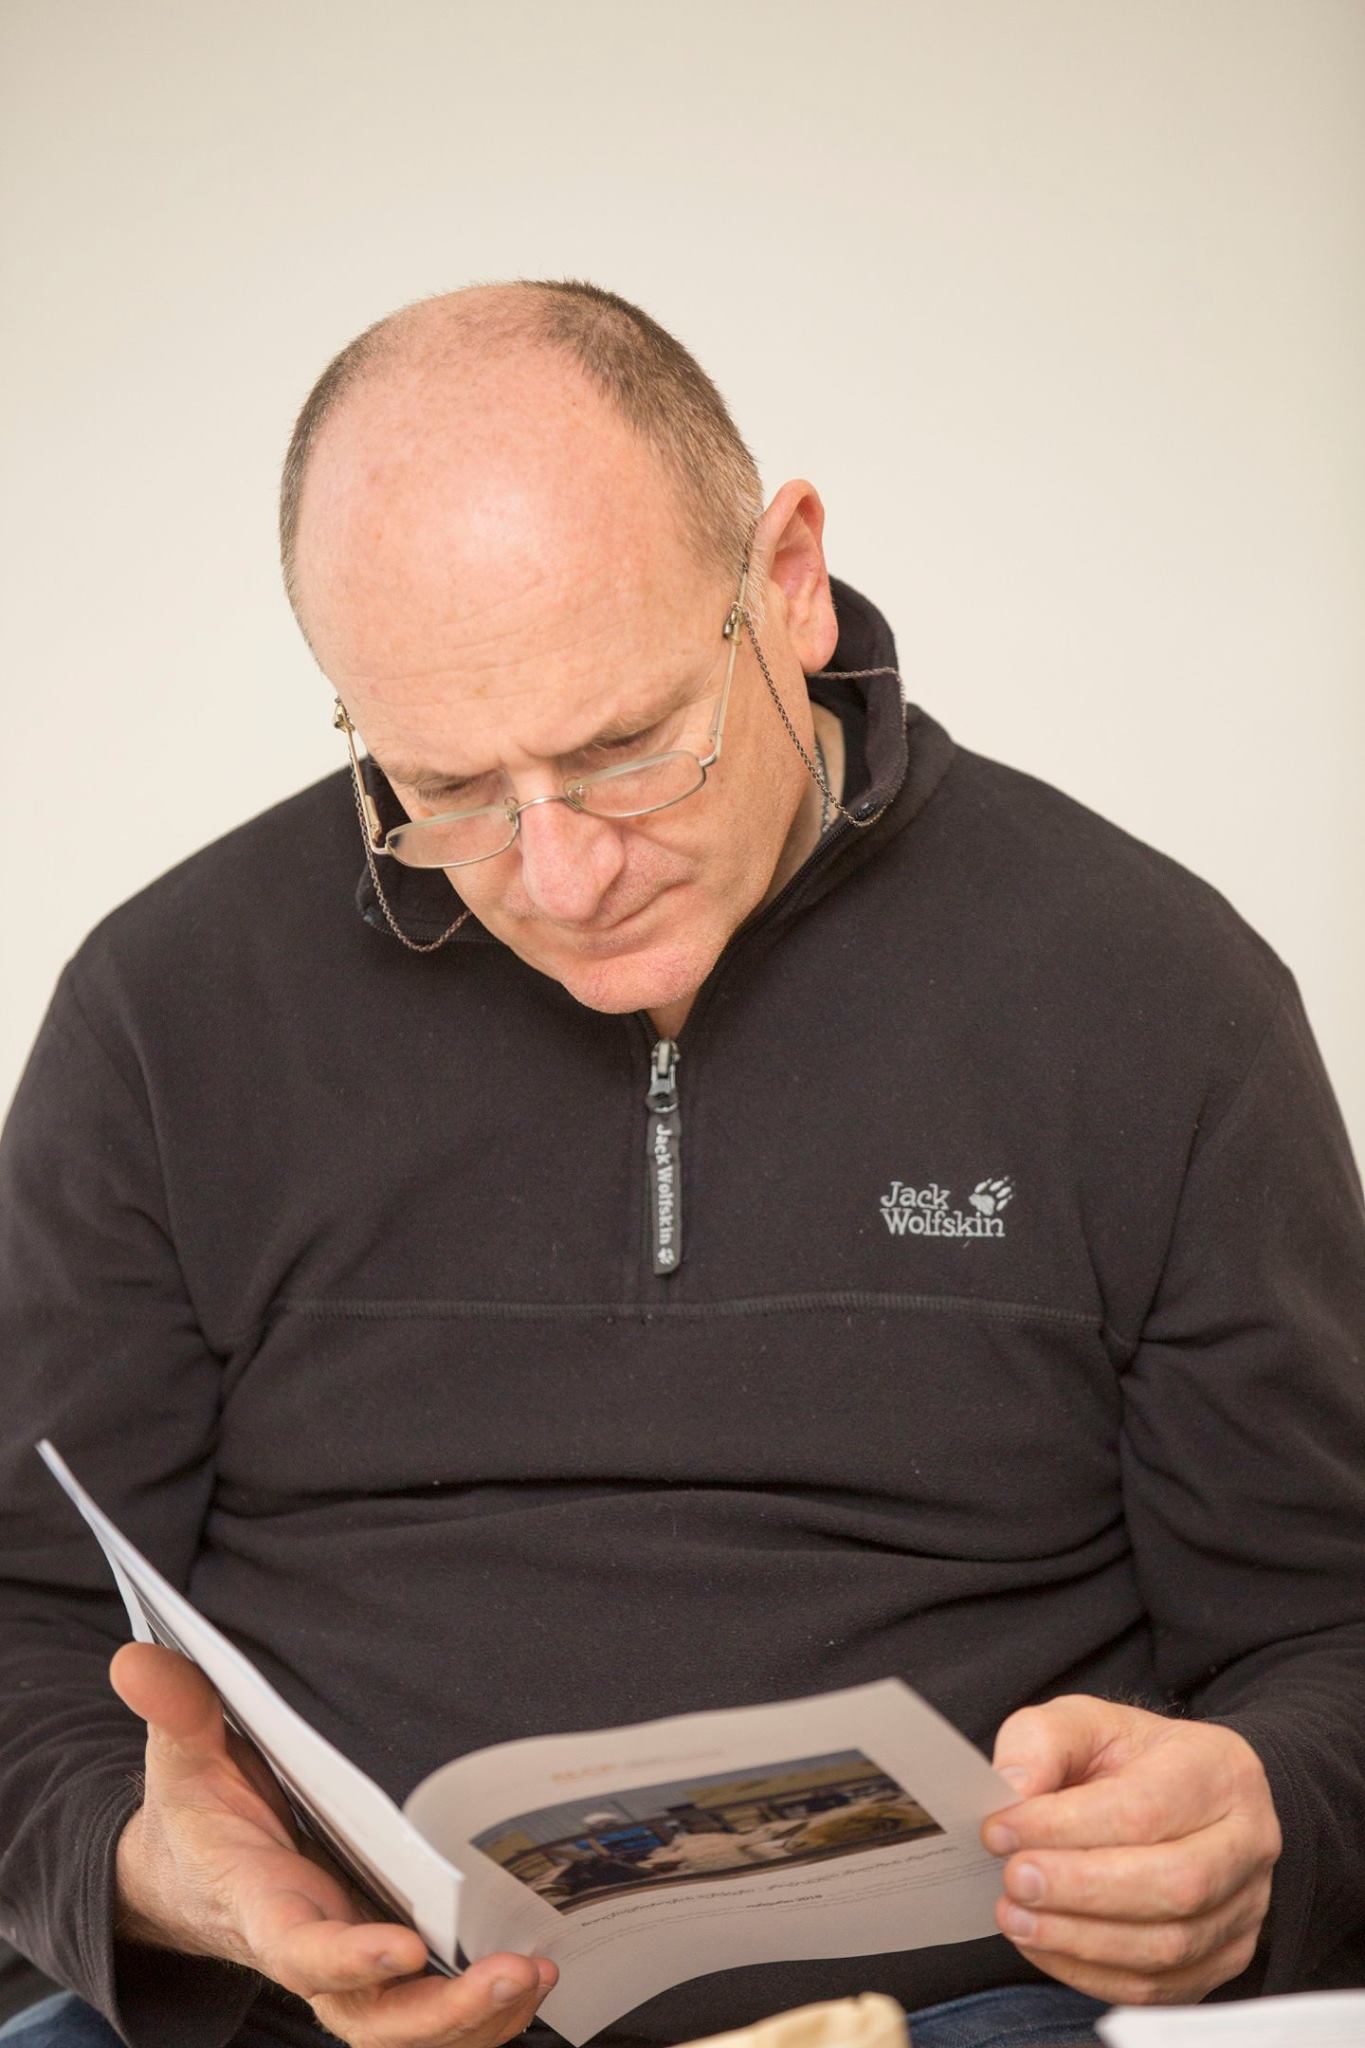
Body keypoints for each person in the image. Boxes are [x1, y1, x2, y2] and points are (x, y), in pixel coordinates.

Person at [0, 277, 1361, 2048]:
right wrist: (148, 1875)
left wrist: (1264, 1817)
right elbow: (21, 1614)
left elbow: (1328, 1633)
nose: (560, 876)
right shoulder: (165, 1012)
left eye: (626, 750)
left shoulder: (1150, 998)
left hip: (968, 2011)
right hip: (300, 2020)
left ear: (786, 579)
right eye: (445, 789)